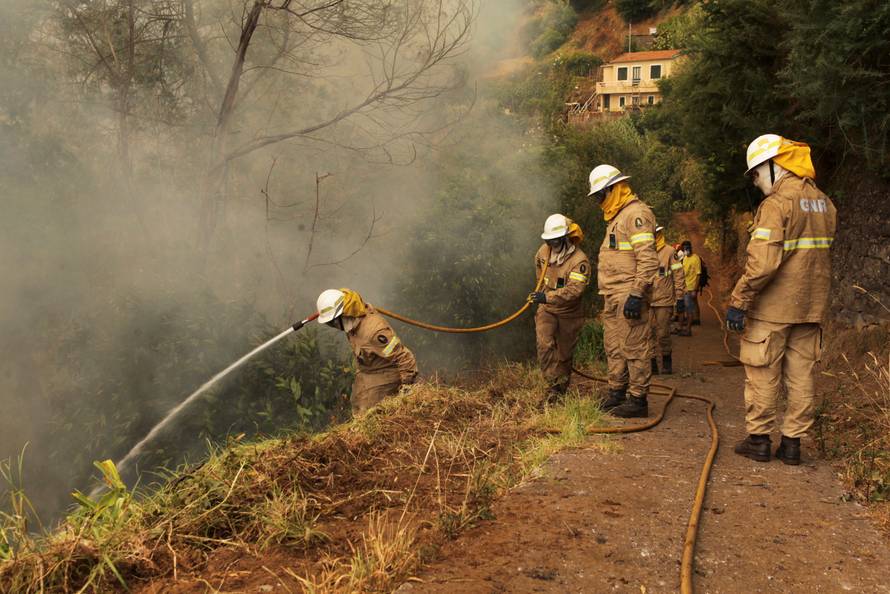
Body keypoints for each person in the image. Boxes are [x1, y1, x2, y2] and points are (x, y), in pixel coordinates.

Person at [727, 134, 836, 465]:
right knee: (801, 375)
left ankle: (759, 440)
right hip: (810, 308)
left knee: (762, 371)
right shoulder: (824, 203)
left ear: (775, 166)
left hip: (773, 309)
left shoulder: (776, 205)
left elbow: (763, 264)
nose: (757, 181)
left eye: (757, 173)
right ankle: (792, 445)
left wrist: (739, 300)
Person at [587, 164, 659, 418]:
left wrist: (637, 293)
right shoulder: (616, 218)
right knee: (614, 346)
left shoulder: (635, 214)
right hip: (612, 294)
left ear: (613, 189)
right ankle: (616, 392)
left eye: (600, 195)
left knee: (634, 346)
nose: (599, 201)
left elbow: (648, 260)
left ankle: (638, 399)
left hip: (629, 292)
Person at [316, 288, 417, 415]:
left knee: (369, 415)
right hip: (367, 370)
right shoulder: (352, 321)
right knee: (357, 405)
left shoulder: (374, 332)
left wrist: (406, 388)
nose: (333, 325)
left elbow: (404, 357)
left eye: (333, 322)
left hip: (386, 373)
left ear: (344, 315)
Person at [529, 214, 590, 400]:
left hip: (569, 313)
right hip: (547, 309)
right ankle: (551, 385)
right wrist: (543, 296)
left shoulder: (579, 261)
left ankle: (561, 389)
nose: (551, 244)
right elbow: (539, 272)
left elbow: (574, 291)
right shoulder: (543, 252)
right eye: (549, 241)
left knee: (564, 354)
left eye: (555, 241)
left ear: (564, 238)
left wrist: (547, 297)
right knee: (544, 344)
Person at [649, 225, 685, 374]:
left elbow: (678, 275)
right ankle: (652, 365)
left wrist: (680, 297)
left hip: (664, 300)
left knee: (663, 333)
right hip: (646, 300)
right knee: (647, 334)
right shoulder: (641, 252)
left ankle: (666, 361)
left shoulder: (670, 252)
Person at [679, 240, 701, 335]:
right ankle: (689, 324)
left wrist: (695, 290)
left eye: (686, 248)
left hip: (691, 287)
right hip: (685, 287)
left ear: (690, 248)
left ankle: (688, 329)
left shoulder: (695, 259)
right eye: (684, 249)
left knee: (689, 308)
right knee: (686, 307)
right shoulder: (684, 258)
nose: (685, 250)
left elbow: (698, 274)